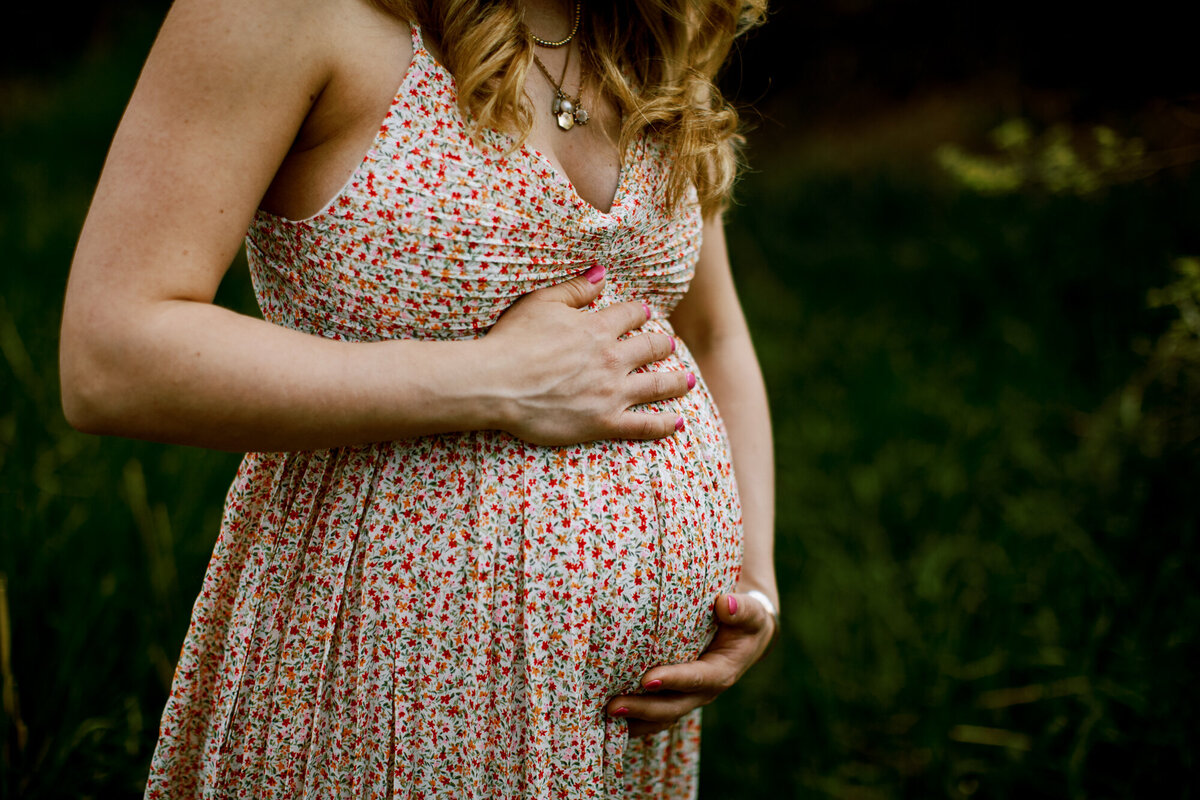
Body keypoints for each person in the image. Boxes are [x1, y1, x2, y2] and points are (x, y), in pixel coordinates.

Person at [59, 0, 778, 796]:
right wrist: (491, 380)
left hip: (630, 721)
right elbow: (111, 353)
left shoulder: (644, 20)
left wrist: (751, 584)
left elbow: (711, 332)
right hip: (403, 676)